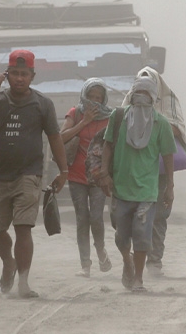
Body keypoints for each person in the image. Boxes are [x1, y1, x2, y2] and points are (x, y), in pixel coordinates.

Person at [0, 49, 69, 298]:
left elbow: (55, 138)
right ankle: (8, 262)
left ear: (32, 76)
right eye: (15, 73)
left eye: (24, 74)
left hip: (29, 175)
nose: (20, 78)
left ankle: (23, 283)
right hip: (0, 176)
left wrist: (64, 170)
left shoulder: (43, 104)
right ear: (7, 74)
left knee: (23, 228)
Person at [96, 76, 176, 292]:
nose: (141, 98)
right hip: (120, 189)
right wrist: (104, 172)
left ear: (153, 99)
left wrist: (170, 187)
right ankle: (127, 261)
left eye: (146, 95)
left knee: (142, 235)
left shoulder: (162, 124)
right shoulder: (118, 116)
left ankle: (138, 279)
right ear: (131, 97)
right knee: (121, 236)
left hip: (147, 192)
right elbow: (108, 145)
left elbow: (168, 156)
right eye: (137, 94)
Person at [121, 66, 186, 276]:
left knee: (158, 215)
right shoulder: (123, 112)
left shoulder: (167, 102)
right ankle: (134, 259)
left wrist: (153, 120)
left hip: (157, 172)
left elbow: (177, 130)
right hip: (133, 172)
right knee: (130, 217)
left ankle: (154, 261)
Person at [59, 78, 114, 277]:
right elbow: (61, 137)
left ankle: (101, 251)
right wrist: (84, 122)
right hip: (76, 175)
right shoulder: (75, 113)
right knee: (82, 218)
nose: (94, 101)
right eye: (90, 97)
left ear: (104, 99)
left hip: (99, 176)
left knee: (96, 218)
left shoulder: (110, 118)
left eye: (98, 98)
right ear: (84, 95)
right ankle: (85, 264)